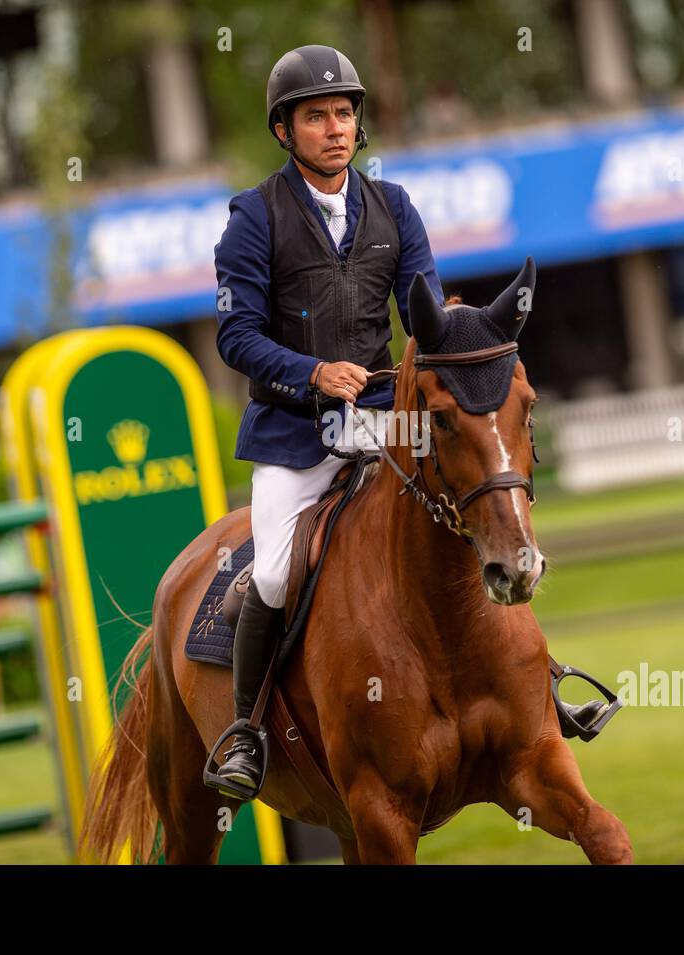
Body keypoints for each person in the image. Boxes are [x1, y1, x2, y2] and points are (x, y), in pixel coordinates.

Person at [209, 45, 598, 798]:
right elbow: (235, 336)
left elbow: (428, 318)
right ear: (284, 132)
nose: (335, 128)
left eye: (344, 114)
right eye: (316, 116)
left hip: (386, 425)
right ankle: (246, 732)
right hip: (295, 435)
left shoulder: (394, 208)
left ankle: (539, 686)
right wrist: (312, 371)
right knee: (280, 569)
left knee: (465, 519)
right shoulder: (253, 219)